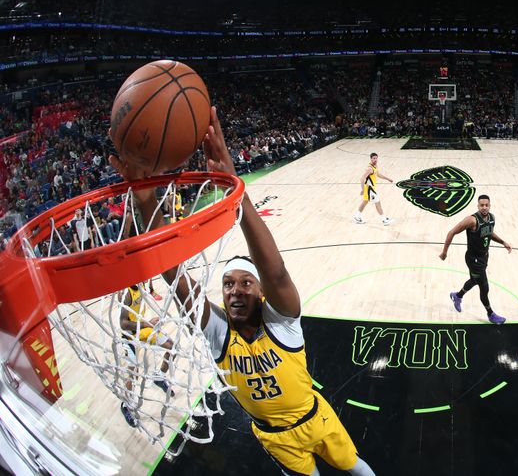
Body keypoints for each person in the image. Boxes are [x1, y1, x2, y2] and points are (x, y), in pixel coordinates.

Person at [111, 107, 375, 476]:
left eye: (245, 283)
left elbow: (277, 272)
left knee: (356, 468)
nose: (235, 290)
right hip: (274, 437)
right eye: (228, 284)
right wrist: (145, 201)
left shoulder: (282, 322)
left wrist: (238, 196)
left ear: (261, 291)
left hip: (317, 420)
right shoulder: (219, 332)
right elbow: (176, 277)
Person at [439, 195, 512, 324]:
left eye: (486, 205)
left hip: (484, 257)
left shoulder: (492, 218)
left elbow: (489, 233)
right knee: (484, 287)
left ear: (490, 205)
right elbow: (451, 232)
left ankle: (457, 296)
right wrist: (444, 252)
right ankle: (490, 314)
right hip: (474, 260)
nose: (484, 207)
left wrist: (503, 242)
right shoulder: (472, 220)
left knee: (474, 280)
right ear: (477, 206)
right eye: (481, 205)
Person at [118, 283, 175, 427]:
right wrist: (147, 323)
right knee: (133, 371)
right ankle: (126, 405)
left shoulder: (141, 282)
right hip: (129, 335)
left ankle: (159, 376)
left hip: (142, 328)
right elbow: (123, 323)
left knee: (171, 347)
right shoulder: (126, 293)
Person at [354, 152, 393, 225]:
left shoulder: (375, 166)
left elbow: (378, 174)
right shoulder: (369, 169)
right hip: (369, 189)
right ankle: (384, 220)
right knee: (377, 203)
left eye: (376, 158)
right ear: (371, 159)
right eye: (374, 158)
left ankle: (357, 216)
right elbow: (362, 178)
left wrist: (388, 179)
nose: (375, 159)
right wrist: (362, 189)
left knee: (365, 202)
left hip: (370, 189)